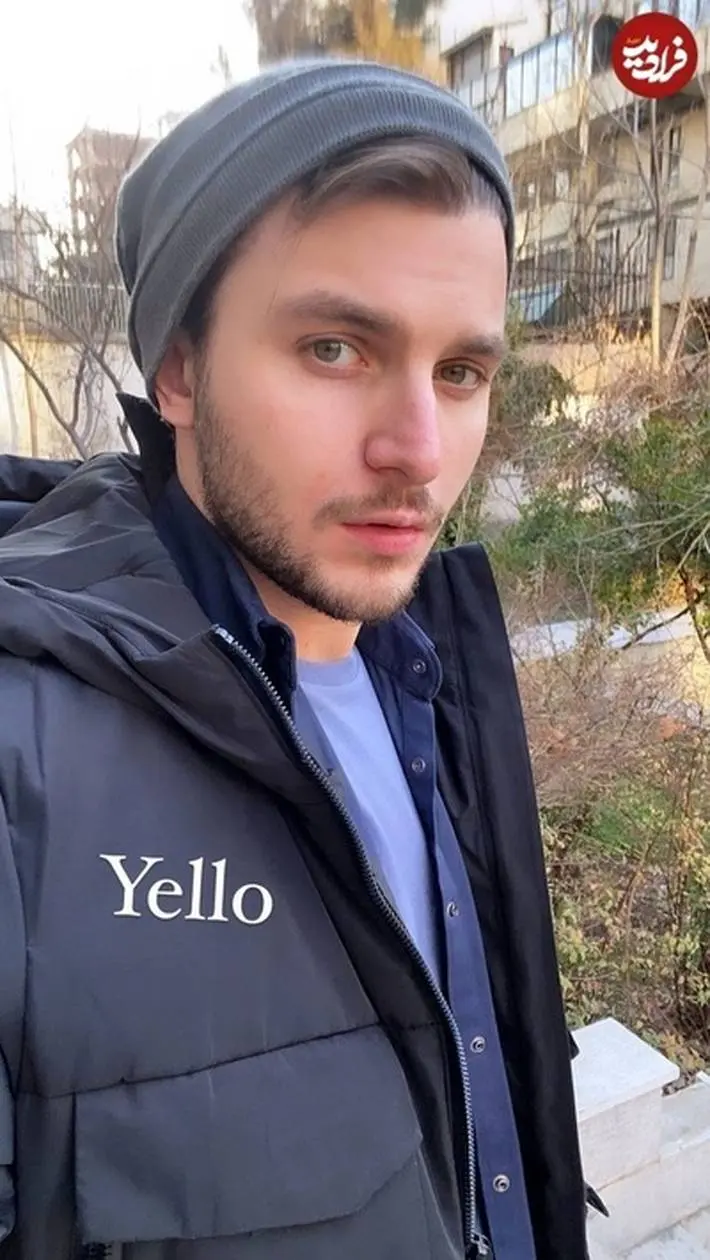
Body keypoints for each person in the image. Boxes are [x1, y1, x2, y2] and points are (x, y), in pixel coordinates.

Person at [0, 58, 591, 1260]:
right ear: (177, 369)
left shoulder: (432, 680)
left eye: (460, 373)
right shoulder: (23, 760)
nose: (416, 450)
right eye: (334, 348)